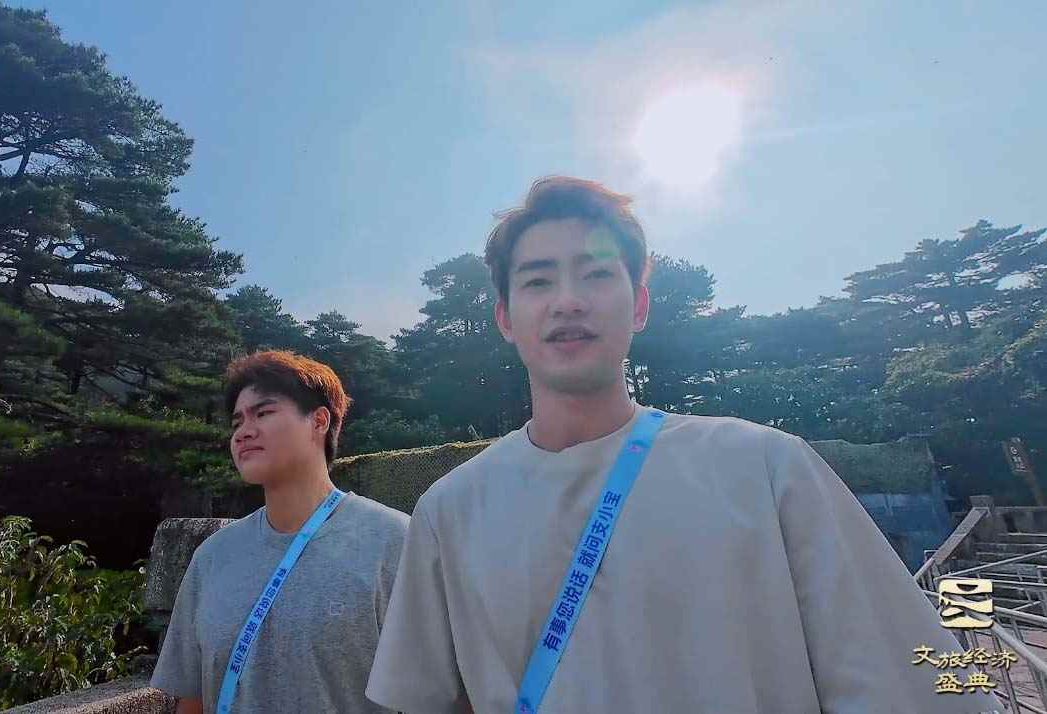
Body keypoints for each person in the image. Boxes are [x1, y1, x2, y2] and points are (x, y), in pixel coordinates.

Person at [365, 177, 1003, 713]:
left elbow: (914, 688)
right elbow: (428, 697)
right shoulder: (451, 509)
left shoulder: (765, 467)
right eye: (537, 282)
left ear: (639, 305)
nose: (568, 301)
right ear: (504, 317)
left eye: (596, 274)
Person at [152, 350, 410, 713]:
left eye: (263, 413)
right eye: (237, 422)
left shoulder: (395, 541)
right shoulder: (212, 556)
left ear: (319, 421)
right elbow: (192, 700)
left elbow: (440, 693)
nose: (244, 432)